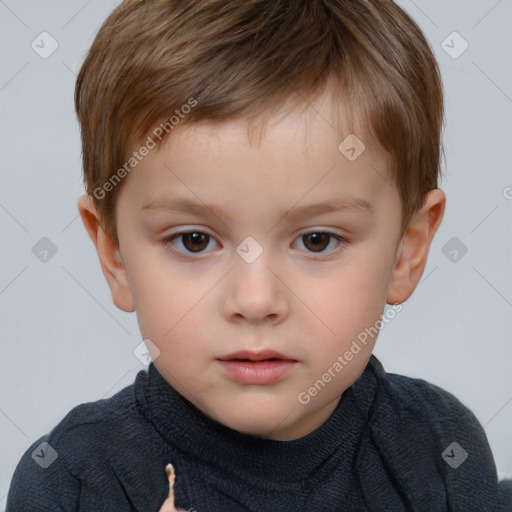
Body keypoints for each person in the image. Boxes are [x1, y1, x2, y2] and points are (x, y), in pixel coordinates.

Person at [6, 0, 511, 510]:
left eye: (317, 240)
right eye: (194, 240)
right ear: (115, 255)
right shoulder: (74, 483)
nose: (254, 299)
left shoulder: (439, 451)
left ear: (407, 251)